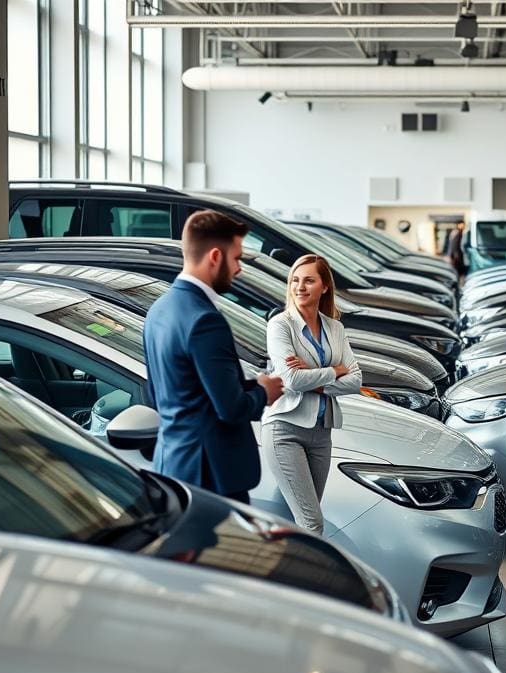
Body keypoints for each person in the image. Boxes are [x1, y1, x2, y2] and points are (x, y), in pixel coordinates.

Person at [144, 209, 284, 504]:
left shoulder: (158, 309)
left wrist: (248, 385)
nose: (239, 269)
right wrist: (264, 392)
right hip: (211, 476)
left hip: (172, 465)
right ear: (216, 257)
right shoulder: (205, 320)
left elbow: (162, 395)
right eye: (237, 258)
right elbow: (230, 409)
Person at [262, 254, 362, 535]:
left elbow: (355, 381)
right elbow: (292, 380)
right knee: (311, 523)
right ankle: (308, 580)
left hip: (321, 433)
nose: (300, 287)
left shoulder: (335, 328)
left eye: (309, 280)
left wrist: (314, 373)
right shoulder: (280, 325)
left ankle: (281, 576)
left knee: (298, 522)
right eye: (295, 280)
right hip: (285, 430)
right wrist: (334, 370)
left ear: (325, 287)